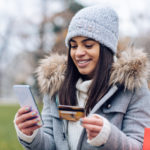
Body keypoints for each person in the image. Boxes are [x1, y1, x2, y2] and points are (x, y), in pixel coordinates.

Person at [14, 5, 150, 150]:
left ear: (106, 49)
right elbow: (50, 143)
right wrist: (31, 134)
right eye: (73, 46)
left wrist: (109, 137)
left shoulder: (132, 88)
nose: (78, 53)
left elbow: (141, 146)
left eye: (88, 45)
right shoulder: (55, 86)